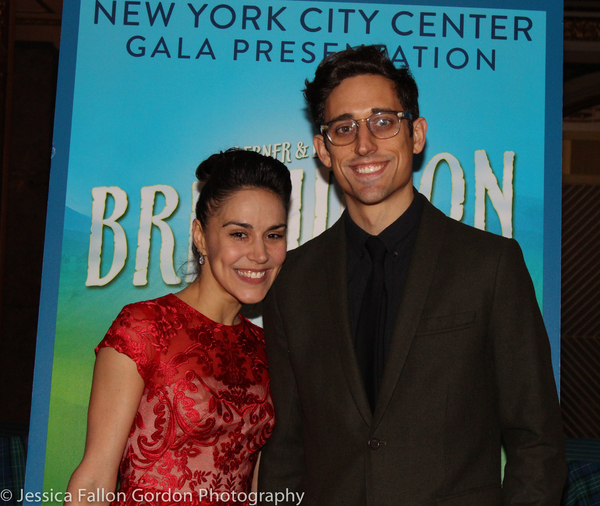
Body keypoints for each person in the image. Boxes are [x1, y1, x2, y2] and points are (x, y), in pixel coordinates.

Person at [258, 45, 566, 505]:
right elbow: (286, 449)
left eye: (383, 122)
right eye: (344, 128)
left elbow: (536, 439)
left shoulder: (489, 265)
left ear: (416, 134)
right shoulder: (293, 281)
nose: (364, 145)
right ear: (323, 149)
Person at [66, 148, 292, 506]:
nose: (261, 254)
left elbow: (256, 484)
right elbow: (95, 476)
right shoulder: (144, 327)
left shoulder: (267, 348)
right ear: (200, 236)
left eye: (274, 235)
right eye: (239, 234)